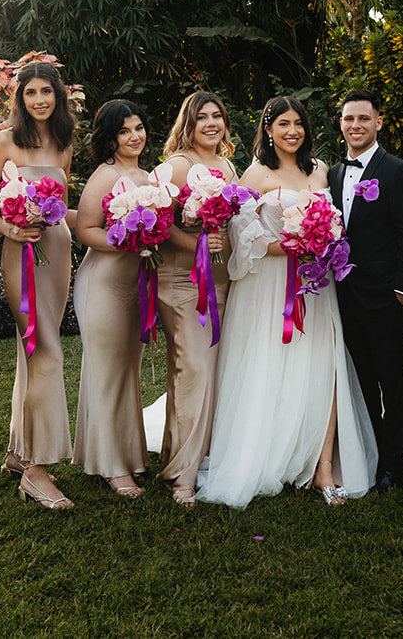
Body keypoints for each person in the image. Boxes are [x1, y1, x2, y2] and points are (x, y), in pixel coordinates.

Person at [197, 96, 377, 508]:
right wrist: (293, 244)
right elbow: (242, 237)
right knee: (272, 366)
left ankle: (325, 465)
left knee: (325, 365)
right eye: (283, 124)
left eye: (298, 124)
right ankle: (271, 448)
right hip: (271, 284)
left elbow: (337, 223)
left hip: (317, 284)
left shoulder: (321, 169)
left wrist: (322, 242)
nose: (292, 131)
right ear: (268, 129)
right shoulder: (256, 173)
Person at [0, 60, 79, 510]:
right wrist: (11, 230)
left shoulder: (63, 144)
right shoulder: (3, 142)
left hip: (57, 251)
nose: (40, 100)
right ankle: (38, 471)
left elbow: (66, 207)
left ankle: (18, 453)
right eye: (31, 93)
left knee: (33, 350)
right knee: (44, 348)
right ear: (20, 98)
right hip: (20, 250)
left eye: (47, 92)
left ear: (58, 95)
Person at [326, 89, 403, 493]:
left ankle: (393, 462)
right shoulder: (331, 173)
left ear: (378, 122)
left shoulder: (397, 171)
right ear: (341, 123)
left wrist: (401, 291)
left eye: (364, 118)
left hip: (385, 297)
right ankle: (369, 450)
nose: (355, 126)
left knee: (393, 381)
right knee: (360, 379)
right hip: (343, 296)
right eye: (349, 119)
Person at [151, 91, 237, 506]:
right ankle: (181, 476)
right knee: (194, 371)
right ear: (187, 122)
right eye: (201, 117)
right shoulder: (177, 166)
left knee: (206, 375)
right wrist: (197, 243)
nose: (210, 123)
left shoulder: (226, 165)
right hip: (182, 283)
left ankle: (189, 455)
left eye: (217, 116)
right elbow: (155, 223)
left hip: (220, 283)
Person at [71, 99, 156, 500]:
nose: (134, 136)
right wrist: (129, 241)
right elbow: (85, 229)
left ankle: (122, 453)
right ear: (110, 138)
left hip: (136, 284)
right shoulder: (104, 176)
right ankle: (112, 467)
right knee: (106, 371)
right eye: (125, 131)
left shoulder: (147, 176)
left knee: (126, 371)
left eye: (138, 128)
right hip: (102, 284)